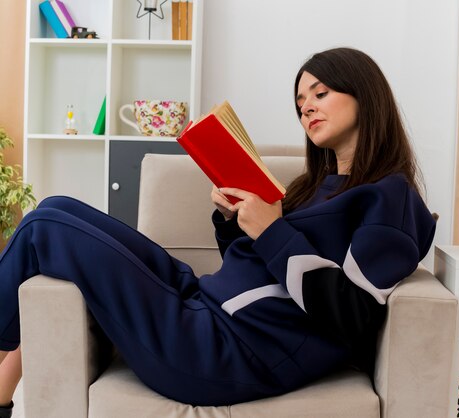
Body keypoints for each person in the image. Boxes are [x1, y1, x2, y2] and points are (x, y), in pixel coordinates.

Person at [0, 47, 436, 416]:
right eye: (301, 100)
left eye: (320, 93)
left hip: (219, 351)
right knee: (55, 208)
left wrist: (272, 231)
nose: (306, 106)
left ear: (366, 96)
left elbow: (354, 316)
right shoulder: (316, 186)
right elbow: (256, 270)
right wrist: (235, 221)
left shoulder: (389, 197)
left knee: (46, 226)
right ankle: (3, 383)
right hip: (201, 304)